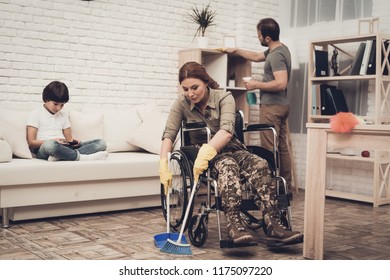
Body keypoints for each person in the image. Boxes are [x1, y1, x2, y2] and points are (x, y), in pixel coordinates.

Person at [159, 61, 303, 245]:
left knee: (260, 164)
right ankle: (235, 225)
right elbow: (169, 134)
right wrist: (163, 162)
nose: (190, 94)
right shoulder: (181, 103)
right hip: (203, 156)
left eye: (195, 87)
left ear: (206, 82)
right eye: (185, 89)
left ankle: (273, 223)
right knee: (228, 166)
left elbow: (227, 132)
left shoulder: (224, 97)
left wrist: (209, 150)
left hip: (230, 148)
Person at [224, 18, 294, 197]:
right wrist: (236, 50)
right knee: (282, 147)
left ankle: (270, 188)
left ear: (268, 37)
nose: (258, 37)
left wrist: (256, 84)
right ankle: (285, 187)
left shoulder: (276, 55)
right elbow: (256, 56)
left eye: (259, 35)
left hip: (272, 106)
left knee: (269, 147)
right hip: (282, 106)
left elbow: (281, 83)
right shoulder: (278, 49)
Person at [26, 81, 108, 161]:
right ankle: (81, 157)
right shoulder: (35, 114)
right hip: (45, 148)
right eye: (55, 104)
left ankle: (61, 156)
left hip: (64, 147)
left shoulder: (63, 115)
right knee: (50, 145)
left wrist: (73, 142)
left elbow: (69, 139)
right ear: (46, 99)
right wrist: (53, 140)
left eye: (62, 105)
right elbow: (31, 143)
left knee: (101, 143)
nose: (58, 108)